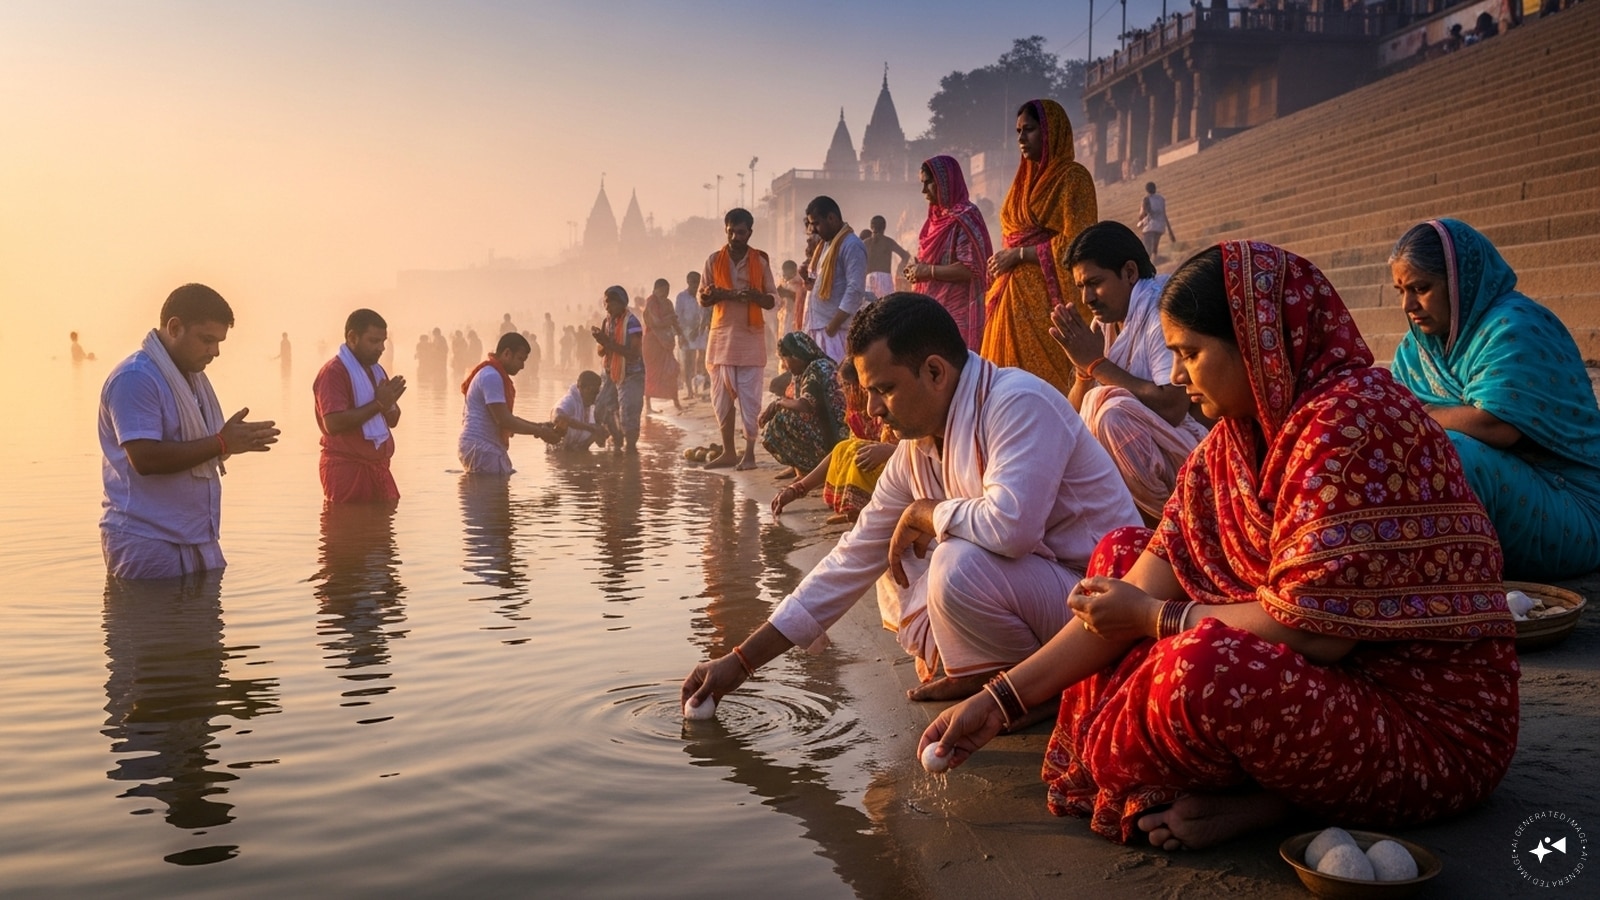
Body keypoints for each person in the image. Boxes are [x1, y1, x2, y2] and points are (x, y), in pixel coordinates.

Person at [919, 242, 1517, 853]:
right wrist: (998, 700)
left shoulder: (1351, 429)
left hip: (1420, 724)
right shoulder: (1234, 440)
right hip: (1320, 683)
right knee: (1118, 557)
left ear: (1259, 344)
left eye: (1190, 354)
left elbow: (1318, 635)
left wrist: (1157, 619)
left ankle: (1277, 802)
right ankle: (1265, 788)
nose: (1178, 376)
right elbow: (1138, 586)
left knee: (1197, 668)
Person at [682, 292, 1139, 709]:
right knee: (893, 554)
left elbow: (1012, 530)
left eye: (884, 389)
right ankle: (986, 671)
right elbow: (852, 557)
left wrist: (925, 511)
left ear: (935, 372)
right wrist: (741, 661)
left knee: (956, 563)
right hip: (1049, 598)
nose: (874, 409)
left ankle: (1030, 690)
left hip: (1102, 604)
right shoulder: (916, 447)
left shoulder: (1017, 402)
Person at [1390, 218, 1600, 579]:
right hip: (1504, 494)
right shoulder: (1417, 349)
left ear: (1460, 282)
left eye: (1421, 288)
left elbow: (1497, 426)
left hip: (1571, 505)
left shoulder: (1514, 326)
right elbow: (1393, 414)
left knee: (1446, 450)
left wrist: (1424, 413)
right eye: (1400, 291)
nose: (1408, 304)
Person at [98, 283, 280, 579]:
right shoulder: (136, 377)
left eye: (219, 342)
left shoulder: (189, 379)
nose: (215, 352)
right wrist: (221, 443)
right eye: (207, 340)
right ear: (174, 328)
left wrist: (229, 443)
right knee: (152, 612)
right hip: (147, 540)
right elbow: (144, 459)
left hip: (197, 536)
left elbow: (201, 447)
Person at [1048, 221, 1209, 522]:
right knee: (1077, 424)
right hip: (1157, 458)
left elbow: (1173, 407)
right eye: (1081, 287)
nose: (1087, 298)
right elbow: (1074, 418)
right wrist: (1084, 370)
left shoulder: (1161, 308)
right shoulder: (1106, 322)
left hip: (1197, 455)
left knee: (1111, 415)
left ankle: (1173, 523)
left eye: (1094, 282)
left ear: (1130, 273)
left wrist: (1097, 364)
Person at [980, 99, 1098, 398]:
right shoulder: (1021, 183)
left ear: (1050, 132)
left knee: (1045, 392)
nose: (1021, 138)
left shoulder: (1073, 177)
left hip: (1047, 305)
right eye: (1018, 131)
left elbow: (1079, 243)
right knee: (1003, 390)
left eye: (1029, 129)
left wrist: (1019, 255)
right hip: (1009, 298)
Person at [700, 207, 778, 470]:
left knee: (749, 399)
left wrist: (755, 296)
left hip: (750, 339)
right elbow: (702, 297)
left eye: (741, 232)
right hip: (721, 338)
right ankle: (728, 452)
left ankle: (750, 455)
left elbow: (773, 299)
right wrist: (715, 294)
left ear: (750, 233)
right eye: (731, 231)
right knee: (721, 398)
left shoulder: (760, 262)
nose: (735, 237)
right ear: (726, 230)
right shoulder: (713, 260)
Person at [772, 363, 897, 525]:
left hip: (901, 473)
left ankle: (864, 508)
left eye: (847, 386)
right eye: (842, 386)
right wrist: (797, 489)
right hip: (885, 471)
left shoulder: (891, 407)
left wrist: (889, 450)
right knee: (845, 449)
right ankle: (854, 508)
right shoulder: (856, 413)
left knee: (855, 450)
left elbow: (918, 451)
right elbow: (840, 452)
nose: (843, 392)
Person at [313, 308, 406, 504]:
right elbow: (333, 423)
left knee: (384, 522)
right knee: (349, 522)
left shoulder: (377, 371)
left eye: (383, 341)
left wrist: (389, 404)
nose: (381, 348)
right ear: (352, 338)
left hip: (379, 467)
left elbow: (392, 421)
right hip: (347, 469)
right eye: (374, 341)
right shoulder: (334, 373)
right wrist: (379, 404)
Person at [905, 155, 993, 349]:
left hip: (958, 315)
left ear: (945, 182)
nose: (923, 190)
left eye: (929, 183)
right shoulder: (933, 219)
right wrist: (917, 268)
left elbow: (971, 269)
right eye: (922, 183)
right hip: (930, 310)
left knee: (954, 363)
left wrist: (928, 271)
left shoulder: (966, 216)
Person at [458, 332, 562, 474]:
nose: (522, 366)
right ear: (507, 353)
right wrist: (540, 431)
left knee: (497, 486)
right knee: (495, 488)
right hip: (482, 448)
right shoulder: (491, 376)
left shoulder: (492, 374)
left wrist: (541, 427)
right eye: (520, 359)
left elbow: (506, 419)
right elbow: (504, 420)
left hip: (482, 448)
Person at [759, 332, 848, 479]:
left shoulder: (818, 367)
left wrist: (778, 403)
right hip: (825, 428)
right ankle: (799, 467)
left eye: (785, 360)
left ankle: (811, 470)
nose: (785, 366)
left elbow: (805, 405)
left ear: (795, 356)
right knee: (783, 414)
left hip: (837, 433)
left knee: (783, 419)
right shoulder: (804, 370)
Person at [799, 196, 867, 362]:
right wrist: (810, 281)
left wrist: (833, 326)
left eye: (816, 223)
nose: (813, 229)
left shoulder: (851, 245)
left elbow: (855, 289)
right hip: (820, 328)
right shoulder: (826, 245)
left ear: (831, 218)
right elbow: (829, 282)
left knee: (834, 377)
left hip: (835, 332)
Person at [591, 286, 645, 453]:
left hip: (631, 374)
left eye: (610, 303)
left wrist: (607, 343)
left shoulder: (633, 323)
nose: (607, 307)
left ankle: (631, 451)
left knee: (629, 414)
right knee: (601, 408)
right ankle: (617, 441)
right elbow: (602, 351)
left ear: (621, 303)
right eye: (605, 303)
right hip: (610, 373)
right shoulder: (607, 321)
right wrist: (601, 341)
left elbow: (634, 354)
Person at [642, 278, 683, 414]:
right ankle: (648, 406)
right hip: (652, 342)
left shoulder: (668, 303)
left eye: (668, 290)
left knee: (671, 371)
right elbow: (655, 322)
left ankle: (676, 402)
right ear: (656, 289)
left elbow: (675, 320)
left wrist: (681, 334)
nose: (666, 293)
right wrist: (669, 320)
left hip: (666, 342)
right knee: (651, 373)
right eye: (664, 290)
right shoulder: (651, 302)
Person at [552, 370, 607, 451]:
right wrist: (590, 428)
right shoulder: (570, 400)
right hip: (560, 449)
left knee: (601, 427)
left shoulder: (591, 405)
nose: (596, 396)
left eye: (598, 392)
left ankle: (581, 451)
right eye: (595, 392)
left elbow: (600, 439)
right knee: (563, 422)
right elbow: (559, 416)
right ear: (586, 389)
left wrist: (602, 433)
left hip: (578, 447)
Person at [675, 271, 706, 400]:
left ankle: (700, 388)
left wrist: (698, 328)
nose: (695, 285)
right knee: (688, 364)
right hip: (686, 334)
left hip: (701, 333)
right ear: (688, 282)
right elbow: (677, 317)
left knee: (701, 362)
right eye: (693, 282)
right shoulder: (682, 297)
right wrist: (680, 335)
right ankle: (690, 391)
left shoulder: (703, 296)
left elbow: (706, 316)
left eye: (697, 282)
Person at [863, 215, 910, 301]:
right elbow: (905, 256)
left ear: (871, 227)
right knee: (886, 305)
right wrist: (899, 270)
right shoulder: (889, 242)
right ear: (884, 227)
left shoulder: (865, 243)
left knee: (870, 306)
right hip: (885, 279)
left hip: (869, 279)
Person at [1137, 182, 1175, 260]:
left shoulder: (1146, 199)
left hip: (1150, 227)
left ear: (1147, 190)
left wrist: (1141, 219)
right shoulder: (1161, 199)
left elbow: (1142, 215)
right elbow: (1164, 214)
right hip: (1160, 227)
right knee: (1154, 248)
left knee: (1147, 249)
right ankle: (1154, 261)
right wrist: (1170, 232)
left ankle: (1147, 263)